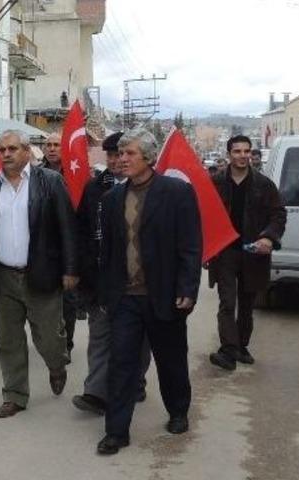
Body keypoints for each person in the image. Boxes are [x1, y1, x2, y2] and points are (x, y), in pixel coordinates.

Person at [96, 128, 202, 455]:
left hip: (165, 294)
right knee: (122, 364)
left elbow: (189, 245)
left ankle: (178, 411)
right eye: (120, 153)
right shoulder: (112, 198)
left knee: (170, 360)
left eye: (129, 154)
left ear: (149, 157)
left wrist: (187, 287)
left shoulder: (177, 192)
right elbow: (110, 253)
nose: (122, 159)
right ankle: (116, 431)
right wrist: (106, 293)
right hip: (126, 298)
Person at [0, 130, 77, 419]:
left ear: (27, 152)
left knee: (49, 339)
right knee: (10, 339)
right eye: (2, 149)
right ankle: (15, 394)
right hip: (3, 276)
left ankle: (57, 365)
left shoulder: (51, 183)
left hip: (41, 274)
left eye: (12, 149)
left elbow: (67, 227)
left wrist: (70, 269)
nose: (6, 154)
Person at [72, 132, 152, 415]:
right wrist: (81, 272)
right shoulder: (95, 188)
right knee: (100, 338)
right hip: (101, 280)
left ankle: (136, 381)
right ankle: (95, 392)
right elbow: (81, 233)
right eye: (112, 155)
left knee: (139, 340)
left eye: (123, 154)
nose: (117, 160)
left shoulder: (149, 188)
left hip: (137, 282)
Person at [207, 135, 286, 371]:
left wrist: (268, 237)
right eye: (237, 151)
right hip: (225, 253)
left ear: (251, 154)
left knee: (247, 305)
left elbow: (278, 214)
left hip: (253, 253)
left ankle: (241, 346)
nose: (242, 156)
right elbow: (204, 215)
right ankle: (228, 350)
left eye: (246, 151)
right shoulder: (216, 183)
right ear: (229, 153)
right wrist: (206, 248)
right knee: (227, 303)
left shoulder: (264, 184)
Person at [43, 129, 79, 358]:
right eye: (49, 145)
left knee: (68, 300)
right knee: (47, 302)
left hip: (70, 244)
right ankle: (51, 340)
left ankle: (67, 343)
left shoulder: (77, 172)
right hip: (45, 247)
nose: (52, 148)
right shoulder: (36, 175)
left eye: (57, 144)